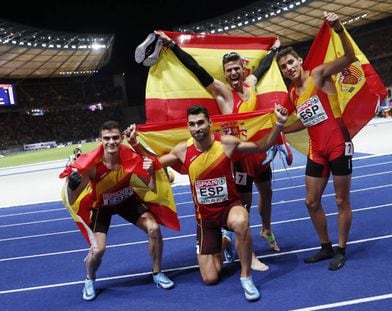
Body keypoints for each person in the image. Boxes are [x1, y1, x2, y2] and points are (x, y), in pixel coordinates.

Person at [154, 31, 283, 270]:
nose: (233, 73)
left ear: (243, 69)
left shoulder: (251, 84)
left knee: (267, 192)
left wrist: (274, 50)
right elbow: (197, 69)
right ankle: (249, 252)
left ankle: (266, 228)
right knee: (243, 206)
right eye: (229, 70)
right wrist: (172, 46)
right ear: (224, 73)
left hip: (258, 152)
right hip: (238, 157)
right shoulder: (222, 92)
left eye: (237, 68)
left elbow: (264, 68)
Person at [153, 104, 288, 301]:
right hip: (205, 218)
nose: (197, 127)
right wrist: (135, 144)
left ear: (210, 123)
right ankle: (225, 241)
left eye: (200, 122)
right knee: (210, 278)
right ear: (188, 127)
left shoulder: (226, 144)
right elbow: (155, 164)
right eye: (192, 124)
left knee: (241, 222)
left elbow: (261, 146)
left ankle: (246, 277)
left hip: (229, 208)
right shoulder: (183, 150)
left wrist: (279, 123)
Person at [276, 12, 356, 271]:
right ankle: (326, 247)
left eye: (291, 62)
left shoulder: (318, 75)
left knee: (341, 201)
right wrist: (283, 130)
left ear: (300, 61)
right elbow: (306, 121)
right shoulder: (292, 93)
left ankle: (341, 249)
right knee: (311, 202)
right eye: (284, 67)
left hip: (337, 144)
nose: (289, 68)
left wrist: (339, 29)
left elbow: (349, 58)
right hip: (316, 149)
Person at [65, 120, 174, 301]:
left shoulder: (129, 157)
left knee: (154, 229)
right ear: (100, 139)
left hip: (126, 200)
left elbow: (152, 188)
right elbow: (72, 200)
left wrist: (151, 173)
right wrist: (71, 185)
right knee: (98, 250)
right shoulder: (92, 166)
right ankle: (89, 279)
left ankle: (157, 273)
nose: (111, 142)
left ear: (121, 138)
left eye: (115, 137)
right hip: (102, 206)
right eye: (106, 138)